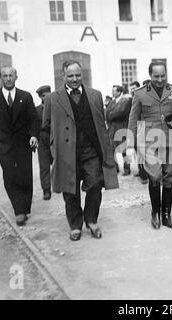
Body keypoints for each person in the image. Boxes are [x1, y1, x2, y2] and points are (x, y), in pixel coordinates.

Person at [42, 60, 118, 241]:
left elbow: (101, 124)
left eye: (78, 75)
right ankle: (75, 224)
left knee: (95, 184)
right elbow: (45, 127)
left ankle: (91, 219)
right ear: (64, 76)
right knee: (71, 191)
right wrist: (53, 151)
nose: (75, 79)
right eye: (70, 76)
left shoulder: (95, 95)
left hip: (91, 151)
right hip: (66, 153)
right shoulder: (53, 99)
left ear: (82, 74)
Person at [128, 61, 172, 229]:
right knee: (154, 176)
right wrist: (130, 144)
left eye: (163, 76)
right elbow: (132, 119)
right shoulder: (140, 94)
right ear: (150, 75)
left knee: (169, 178)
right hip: (150, 143)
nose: (160, 80)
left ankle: (166, 214)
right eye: (156, 76)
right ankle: (155, 212)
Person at [0, 67, 39, 226]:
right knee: (10, 175)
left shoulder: (25, 96)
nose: (8, 79)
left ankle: (25, 206)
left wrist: (34, 135)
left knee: (25, 175)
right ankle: (19, 210)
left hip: (23, 143)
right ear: (0, 77)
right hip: (4, 144)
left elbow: (34, 119)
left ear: (16, 77)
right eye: (5, 76)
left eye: (11, 76)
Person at [105, 85, 131, 176]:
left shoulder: (125, 101)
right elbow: (107, 113)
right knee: (112, 149)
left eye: (114, 91)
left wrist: (111, 114)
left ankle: (127, 169)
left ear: (119, 92)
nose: (112, 93)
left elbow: (119, 113)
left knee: (123, 149)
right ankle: (115, 169)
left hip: (122, 127)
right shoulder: (112, 102)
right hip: (112, 128)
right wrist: (111, 114)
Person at [128, 81, 148, 184]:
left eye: (134, 88)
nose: (132, 90)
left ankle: (144, 174)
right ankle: (142, 173)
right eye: (131, 88)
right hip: (136, 128)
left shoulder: (142, 98)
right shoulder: (129, 100)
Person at [35, 85, 52, 200]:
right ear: (41, 97)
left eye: (50, 94)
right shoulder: (36, 110)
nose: (49, 96)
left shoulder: (57, 107)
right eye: (46, 95)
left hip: (56, 138)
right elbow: (34, 126)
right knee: (44, 165)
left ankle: (62, 185)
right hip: (42, 139)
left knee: (60, 162)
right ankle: (46, 190)